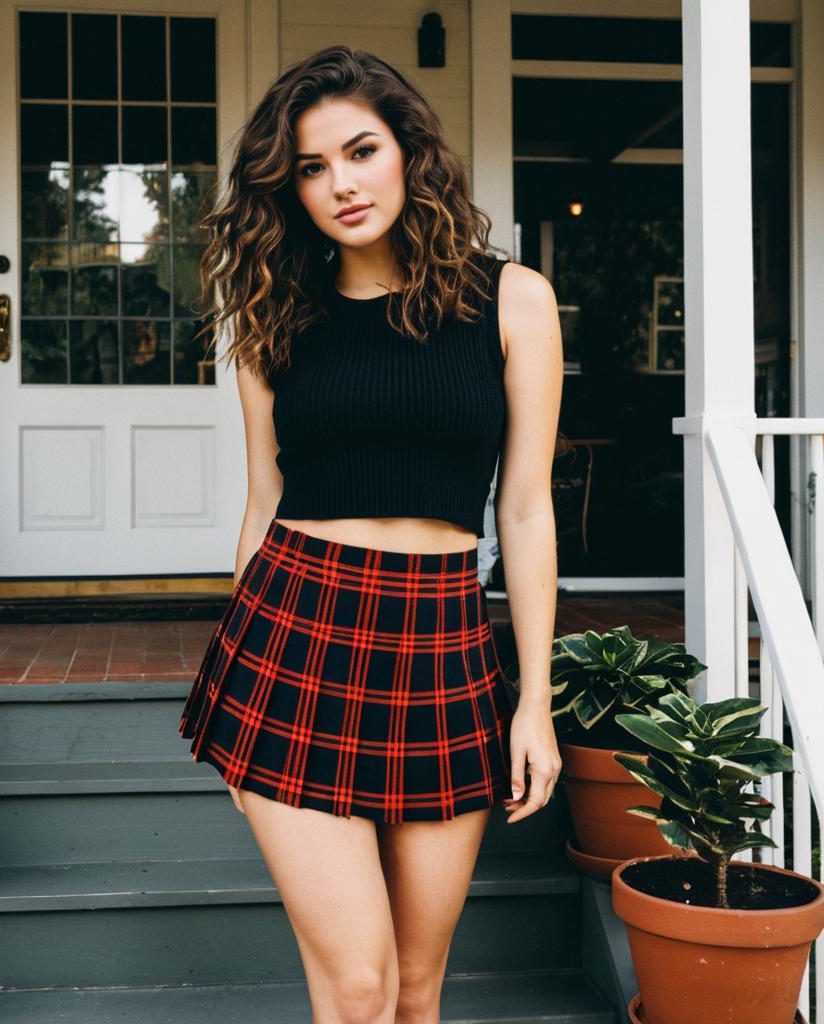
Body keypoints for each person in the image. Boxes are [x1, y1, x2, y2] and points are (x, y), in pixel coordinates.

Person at [179, 45, 563, 1024]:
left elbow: (524, 508)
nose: (341, 184)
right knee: (359, 986)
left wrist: (533, 703)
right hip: (294, 635)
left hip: (443, 645)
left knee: (415, 992)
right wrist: (243, 696)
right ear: (289, 189)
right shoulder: (272, 313)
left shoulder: (512, 300)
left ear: (409, 152)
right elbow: (263, 501)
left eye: (360, 151)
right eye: (312, 168)